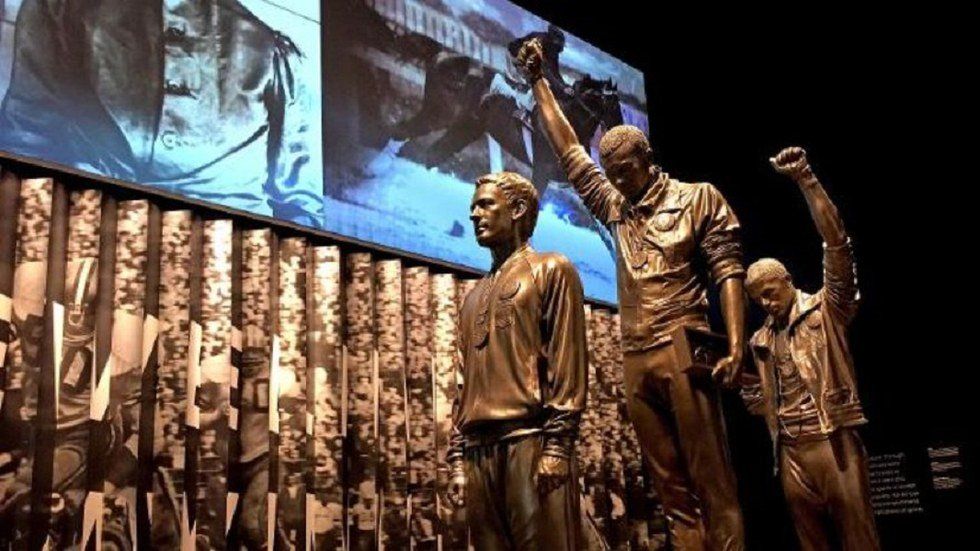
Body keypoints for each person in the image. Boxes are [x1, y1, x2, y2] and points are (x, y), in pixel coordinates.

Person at [517, 38, 746, 550]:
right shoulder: (617, 208)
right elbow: (569, 152)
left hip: (686, 347)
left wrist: (735, 344)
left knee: (713, 482)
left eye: (627, 170)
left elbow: (728, 270)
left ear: (648, 157)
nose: (619, 179)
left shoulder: (697, 198)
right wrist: (537, 82)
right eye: (613, 172)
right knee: (670, 488)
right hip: (635, 353)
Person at [0, 0, 322, 226]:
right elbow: (25, 141)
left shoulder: (271, 52)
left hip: (225, 271)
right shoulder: (61, 10)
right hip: (83, 238)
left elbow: (299, 204)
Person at [741, 147, 879, 551]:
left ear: (787, 281)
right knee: (811, 543)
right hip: (789, 449)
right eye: (759, 301)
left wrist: (806, 180)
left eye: (770, 293)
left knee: (859, 539)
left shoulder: (827, 309)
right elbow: (767, 397)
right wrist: (755, 398)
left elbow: (837, 244)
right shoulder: (761, 340)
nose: (767, 304)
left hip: (831, 438)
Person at [446, 171, 587, 550]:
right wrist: (458, 458)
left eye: (486, 204)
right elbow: (462, 383)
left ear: (519, 209)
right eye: (472, 207)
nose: (475, 214)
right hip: (479, 450)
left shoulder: (552, 269)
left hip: (531, 441)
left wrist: (558, 446)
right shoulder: (474, 295)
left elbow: (566, 361)